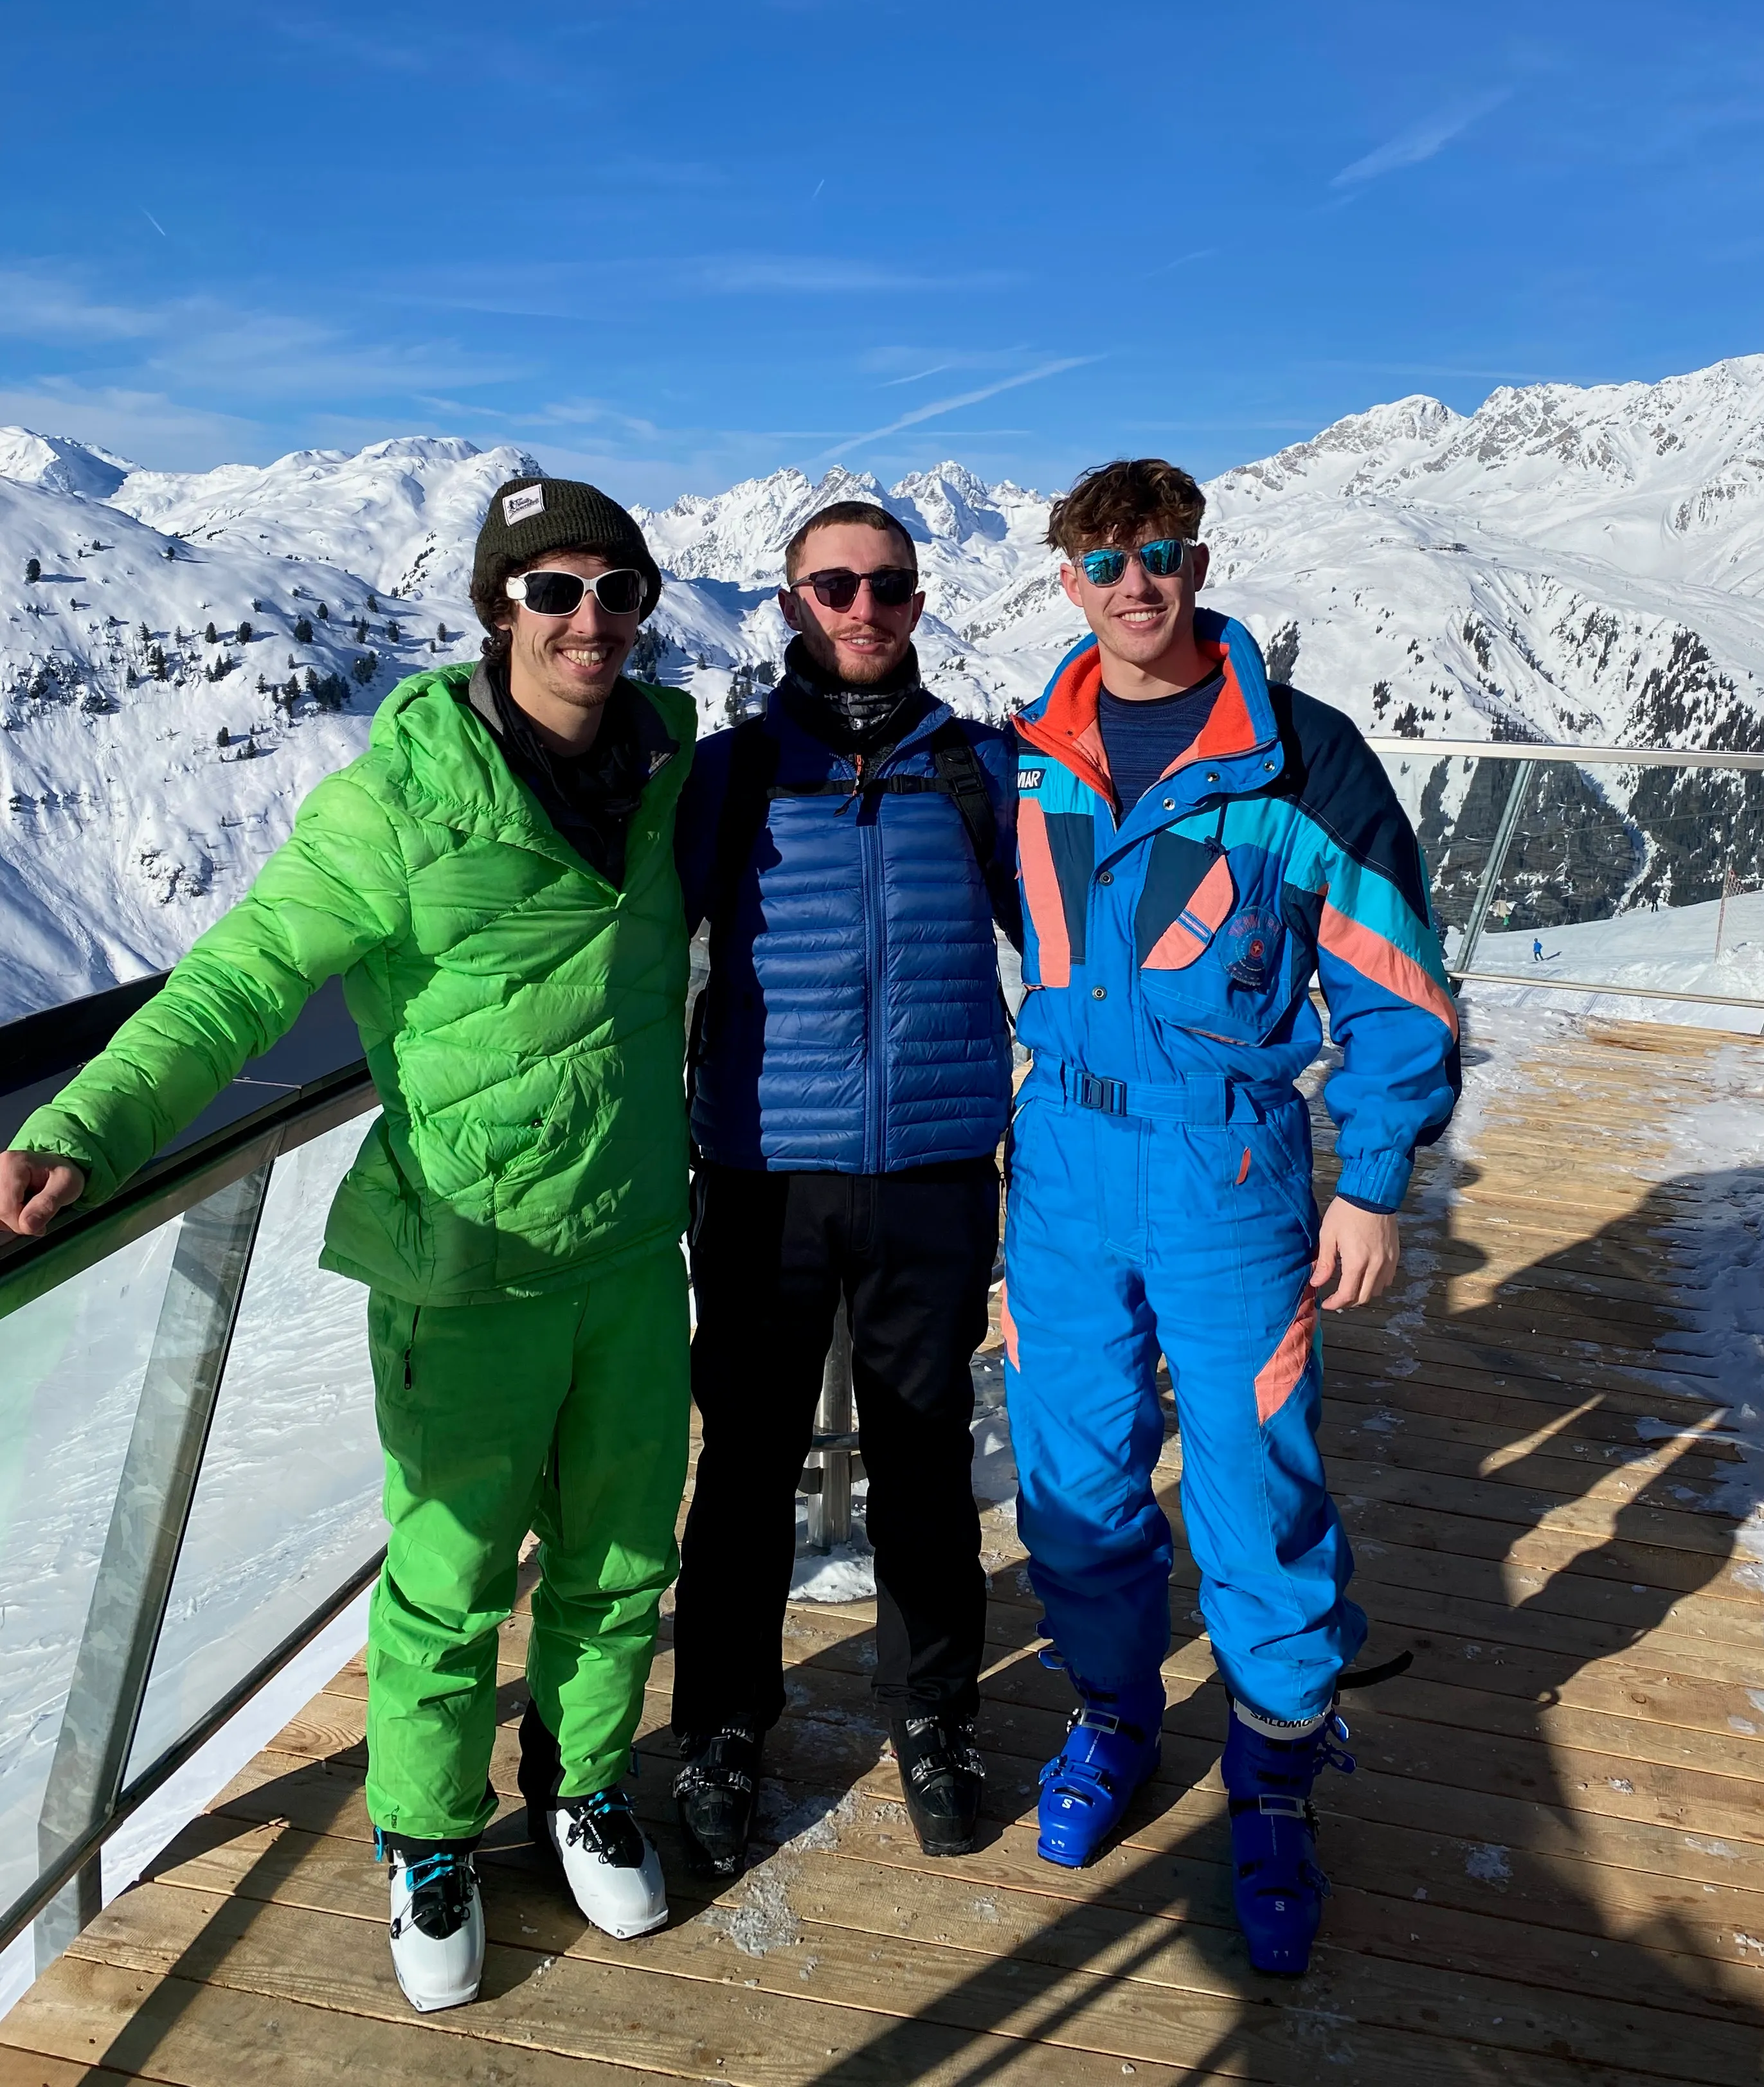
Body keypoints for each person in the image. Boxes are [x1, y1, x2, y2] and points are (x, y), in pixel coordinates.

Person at [0, 478, 696, 2016]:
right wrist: (85, 1129)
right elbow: (234, 986)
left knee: (622, 1556)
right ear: (496, 608)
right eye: (553, 589)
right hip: (468, 1267)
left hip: (637, 1250)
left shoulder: (669, 770)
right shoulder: (392, 806)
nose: (590, 619)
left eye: (617, 589)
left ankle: (582, 1786)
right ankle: (427, 1841)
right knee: (447, 1581)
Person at [1002, 457, 1459, 1975]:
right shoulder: (1029, 757)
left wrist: (1378, 1175)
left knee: (1256, 1476)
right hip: (1062, 1156)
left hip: (1230, 1166)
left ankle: (1271, 1773)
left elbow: (1395, 986)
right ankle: (1116, 1714)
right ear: (1068, 580)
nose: (1138, 584)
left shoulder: (1298, 762)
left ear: (1200, 568)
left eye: (1165, 555)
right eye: (1108, 561)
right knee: (1073, 1467)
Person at [665, 499, 1017, 1874]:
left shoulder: (980, 772)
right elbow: (612, 943)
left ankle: (934, 1713)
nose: (864, 611)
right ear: (791, 602)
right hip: (762, 1176)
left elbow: (1077, 941)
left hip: (932, 1169)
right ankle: (720, 1724)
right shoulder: (727, 777)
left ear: (919, 602)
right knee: (746, 1467)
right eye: (835, 586)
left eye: (890, 588)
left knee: (926, 1460)